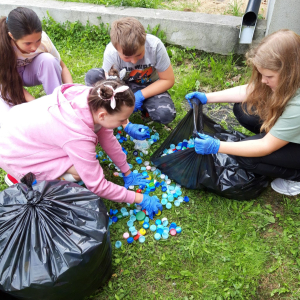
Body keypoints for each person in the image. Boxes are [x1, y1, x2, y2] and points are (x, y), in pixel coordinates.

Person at [0, 67, 162, 218]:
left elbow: (108, 138)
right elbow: (97, 185)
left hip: (23, 131)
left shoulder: (96, 98)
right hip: (13, 150)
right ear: (102, 116)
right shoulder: (77, 135)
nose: (124, 122)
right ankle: (23, 176)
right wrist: (139, 198)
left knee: (82, 162)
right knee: (79, 172)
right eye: (121, 120)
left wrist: (127, 172)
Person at [185, 29, 300, 196]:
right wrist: (206, 97)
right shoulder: (289, 77)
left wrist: (218, 146)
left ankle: (296, 176)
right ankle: (279, 142)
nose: (262, 80)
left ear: (289, 72)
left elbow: (265, 146)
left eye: (268, 76)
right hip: (293, 128)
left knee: (247, 158)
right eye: (261, 74)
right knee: (243, 109)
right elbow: (251, 90)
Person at [85, 17, 176, 124]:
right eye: (127, 57)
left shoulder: (155, 47)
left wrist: (140, 95)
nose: (133, 61)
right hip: (120, 85)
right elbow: (112, 87)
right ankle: (103, 111)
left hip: (149, 85)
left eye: (139, 54)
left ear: (144, 41)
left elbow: (168, 80)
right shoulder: (111, 52)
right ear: (116, 49)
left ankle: (145, 110)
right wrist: (125, 124)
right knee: (93, 76)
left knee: (165, 114)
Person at [0, 7, 73, 127]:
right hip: (7, 83)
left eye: (37, 40)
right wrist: (39, 107)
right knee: (10, 122)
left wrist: (71, 91)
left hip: (30, 73)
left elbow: (62, 67)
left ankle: (57, 104)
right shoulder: (3, 46)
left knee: (49, 60)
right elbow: (11, 84)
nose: (34, 47)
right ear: (12, 36)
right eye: (27, 43)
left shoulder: (43, 40)